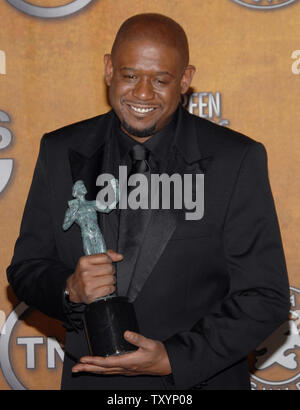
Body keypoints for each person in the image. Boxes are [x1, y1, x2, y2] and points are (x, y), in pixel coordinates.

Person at [7, 13, 290, 390]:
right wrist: (69, 288)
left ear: (185, 79)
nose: (142, 94)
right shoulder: (60, 151)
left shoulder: (234, 160)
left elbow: (264, 295)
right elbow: (27, 268)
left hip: (196, 384)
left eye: (160, 80)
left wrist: (175, 357)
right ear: (108, 69)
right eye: (129, 76)